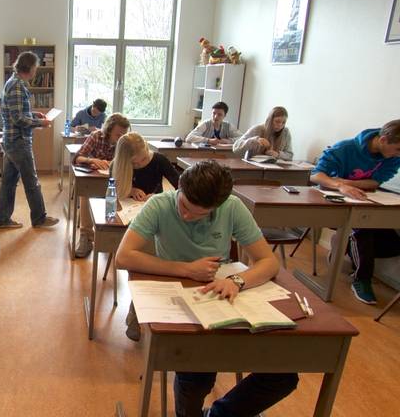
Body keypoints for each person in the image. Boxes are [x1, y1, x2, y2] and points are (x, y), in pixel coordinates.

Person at [116, 160, 296, 417]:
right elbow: (123, 257)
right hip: (179, 299)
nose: (187, 216)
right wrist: (186, 269)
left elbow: (269, 262)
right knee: (196, 372)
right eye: (185, 206)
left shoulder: (231, 206)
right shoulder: (160, 204)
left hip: (221, 296)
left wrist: (236, 281)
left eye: (198, 213)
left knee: (283, 375)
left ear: (217, 206)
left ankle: (218, 414)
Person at [310, 119, 400, 304]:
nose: (399, 154)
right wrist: (339, 186)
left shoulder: (393, 158)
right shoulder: (345, 148)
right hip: (333, 205)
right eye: (398, 149)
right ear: (383, 140)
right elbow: (316, 175)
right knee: (363, 230)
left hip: (364, 205)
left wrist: (346, 183)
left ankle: (343, 247)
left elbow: (375, 183)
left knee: (392, 242)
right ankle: (362, 279)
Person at [0, 51, 58, 229]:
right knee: (31, 182)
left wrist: (34, 114)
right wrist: (41, 122)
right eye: (35, 68)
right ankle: (39, 218)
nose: (36, 71)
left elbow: (19, 114)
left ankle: (2, 219)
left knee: (8, 182)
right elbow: (18, 119)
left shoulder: (15, 83)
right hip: (18, 141)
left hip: (12, 140)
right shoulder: (17, 85)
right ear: (30, 67)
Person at [73, 113, 131, 257]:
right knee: (85, 195)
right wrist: (91, 161)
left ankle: (111, 234)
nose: (120, 138)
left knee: (119, 198)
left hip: (114, 181)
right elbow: (77, 159)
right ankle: (86, 236)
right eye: (118, 134)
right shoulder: (96, 136)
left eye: (123, 134)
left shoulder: (125, 142)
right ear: (109, 129)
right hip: (94, 178)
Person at [112, 132, 180, 202]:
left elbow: (181, 188)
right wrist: (130, 191)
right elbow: (111, 192)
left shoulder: (160, 160)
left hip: (155, 205)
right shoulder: (116, 165)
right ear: (124, 162)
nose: (140, 164)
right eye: (134, 163)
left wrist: (160, 197)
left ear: (147, 149)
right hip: (127, 206)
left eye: (144, 159)